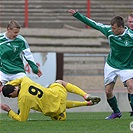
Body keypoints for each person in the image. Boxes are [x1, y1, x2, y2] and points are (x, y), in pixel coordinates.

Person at [68, 9, 133, 120]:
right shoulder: (108, 31)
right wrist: (77, 15)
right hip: (111, 65)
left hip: (127, 67)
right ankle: (116, 112)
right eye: (111, 28)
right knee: (108, 91)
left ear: (121, 27)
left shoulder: (131, 36)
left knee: (131, 86)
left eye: (114, 28)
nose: (112, 30)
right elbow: (93, 23)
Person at [0, 76, 101, 121]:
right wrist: (7, 85)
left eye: (10, 96)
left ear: (13, 92)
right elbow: (20, 79)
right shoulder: (25, 81)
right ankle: (85, 97)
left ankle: (84, 103)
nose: (11, 97)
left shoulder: (23, 100)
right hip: (57, 94)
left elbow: (22, 119)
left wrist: (9, 111)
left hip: (54, 111)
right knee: (59, 82)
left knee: (60, 113)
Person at [0, 20, 42, 92]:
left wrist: (34, 68)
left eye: (18, 32)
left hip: (17, 71)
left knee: (27, 88)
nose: (17, 34)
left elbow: (28, 55)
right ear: (8, 29)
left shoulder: (21, 40)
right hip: (3, 71)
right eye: (15, 32)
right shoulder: (1, 39)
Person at [126, 13, 133, 116]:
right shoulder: (124, 33)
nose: (132, 24)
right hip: (128, 66)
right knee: (130, 87)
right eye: (130, 22)